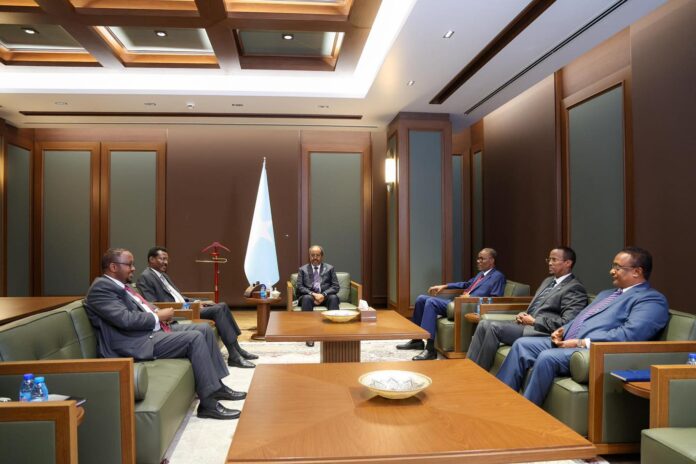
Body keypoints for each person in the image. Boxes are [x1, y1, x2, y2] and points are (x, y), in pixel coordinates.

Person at [496, 247, 669, 406]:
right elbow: (582, 317)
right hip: (568, 341)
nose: (611, 271)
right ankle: (501, 399)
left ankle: (525, 410)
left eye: (618, 267)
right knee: (521, 344)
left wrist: (581, 342)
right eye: (613, 266)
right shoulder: (607, 294)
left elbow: (629, 335)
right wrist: (562, 330)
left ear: (637, 272)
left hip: (592, 350)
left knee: (547, 357)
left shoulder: (651, 300)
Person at [85, 248, 244, 420]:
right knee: (194, 338)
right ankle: (208, 404)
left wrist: (157, 312)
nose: (133, 268)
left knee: (204, 329)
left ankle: (216, 387)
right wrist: (157, 316)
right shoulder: (101, 289)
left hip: (150, 331)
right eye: (129, 265)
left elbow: (141, 307)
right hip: (134, 342)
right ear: (113, 267)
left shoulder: (122, 286)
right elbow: (125, 319)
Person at [467, 246, 587, 371]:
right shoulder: (548, 281)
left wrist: (534, 321)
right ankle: (468, 368)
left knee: (493, 327)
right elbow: (539, 306)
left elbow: (567, 323)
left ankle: (479, 373)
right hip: (526, 324)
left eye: (554, 260)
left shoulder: (574, 288)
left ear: (568, 263)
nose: (550, 263)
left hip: (540, 331)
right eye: (549, 259)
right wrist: (524, 313)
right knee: (484, 323)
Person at [136, 246, 257, 369]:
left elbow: (178, 296)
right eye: (162, 259)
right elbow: (155, 305)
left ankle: (237, 348)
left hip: (186, 307)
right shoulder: (146, 277)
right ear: (151, 259)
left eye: (167, 259)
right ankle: (234, 356)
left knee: (222, 305)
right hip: (178, 312)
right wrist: (190, 306)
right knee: (218, 310)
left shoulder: (163, 276)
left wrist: (197, 301)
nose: (166, 262)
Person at [397, 248, 506, 361]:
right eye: (478, 258)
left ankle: (430, 349)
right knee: (421, 299)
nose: (478, 261)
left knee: (431, 302)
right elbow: (466, 284)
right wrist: (445, 286)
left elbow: (495, 299)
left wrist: (471, 298)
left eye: (482, 259)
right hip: (457, 303)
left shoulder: (498, 277)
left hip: (468, 307)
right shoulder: (481, 275)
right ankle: (417, 340)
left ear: (491, 260)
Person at [295, 245, 340, 346]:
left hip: (325, 296)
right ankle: (309, 336)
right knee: (307, 298)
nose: (315, 257)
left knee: (333, 297)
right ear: (309, 256)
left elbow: (335, 286)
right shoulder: (303, 269)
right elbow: (299, 287)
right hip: (309, 296)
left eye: (317, 255)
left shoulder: (330, 268)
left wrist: (323, 294)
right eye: (312, 255)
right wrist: (313, 294)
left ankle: (334, 334)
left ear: (322, 256)